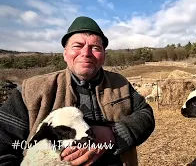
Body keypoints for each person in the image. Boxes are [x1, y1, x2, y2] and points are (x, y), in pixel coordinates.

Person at [0, 16, 155, 166]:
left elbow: (146, 114)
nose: (86, 53)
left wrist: (113, 134)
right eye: (77, 46)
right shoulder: (32, 90)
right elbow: (3, 145)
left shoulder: (120, 83)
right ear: (65, 53)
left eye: (95, 48)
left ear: (103, 56)